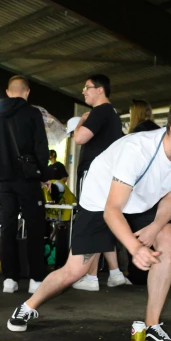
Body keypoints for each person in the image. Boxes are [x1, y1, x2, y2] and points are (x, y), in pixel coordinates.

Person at [7, 94, 171, 341]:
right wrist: (135, 247)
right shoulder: (137, 150)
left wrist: (154, 228)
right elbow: (112, 210)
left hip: (140, 202)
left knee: (169, 240)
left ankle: (152, 326)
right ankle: (27, 307)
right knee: (73, 271)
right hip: (101, 202)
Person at [0, 75, 49, 295]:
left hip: (4, 181)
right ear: (27, 92)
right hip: (28, 179)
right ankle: (36, 279)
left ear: (8, 92)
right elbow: (41, 146)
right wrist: (42, 173)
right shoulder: (32, 113)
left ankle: (9, 279)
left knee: (7, 227)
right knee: (35, 227)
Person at [72, 74, 128, 291]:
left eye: (87, 87)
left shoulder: (100, 112)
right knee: (104, 220)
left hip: (94, 174)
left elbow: (79, 138)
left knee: (90, 221)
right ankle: (114, 272)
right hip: (108, 175)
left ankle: (92, 276)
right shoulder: (113, 114)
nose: (84, 91)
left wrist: (81, 122)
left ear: (100, 89)